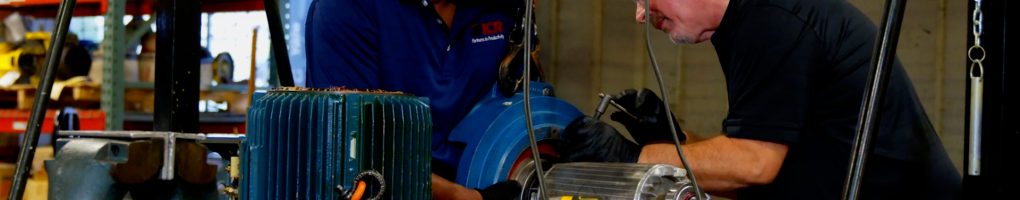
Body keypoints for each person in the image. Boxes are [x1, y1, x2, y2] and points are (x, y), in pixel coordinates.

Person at [559, 0, 962, 199]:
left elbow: (753, 166)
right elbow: (753, 162)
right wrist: (673, 138)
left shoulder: (772, 21)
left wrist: (634, 158)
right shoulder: (743, 24)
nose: (640, 14)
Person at [305, 0, 527, 199]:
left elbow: (521, 102)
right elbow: (351, 150)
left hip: (486, 179)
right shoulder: (348, 8)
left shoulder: (507, 8)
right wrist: (463, 196)